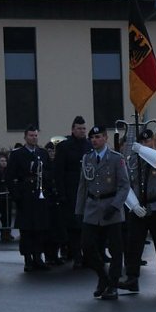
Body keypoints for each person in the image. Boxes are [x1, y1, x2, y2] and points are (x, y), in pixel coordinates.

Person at [75, 125, 130, 300]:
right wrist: (79, 210)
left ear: (106, 138)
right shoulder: (88, 158)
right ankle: (103, 276)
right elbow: (83, 186)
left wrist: (115, 206)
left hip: (111, 206)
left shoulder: (116, 158)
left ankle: (112, 285)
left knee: (115, 249)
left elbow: (124, 185)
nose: (94, 140)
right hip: (92, 207)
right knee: (87, 247)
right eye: (92, 137)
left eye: (98, 137)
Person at [119, 128, 156, 294]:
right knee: (133, 244)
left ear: (154, 141)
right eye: (142, 142)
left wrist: (142, 150)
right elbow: (127, 183)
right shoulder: (133, 159)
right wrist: (133, 205)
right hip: (139, 206)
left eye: (148, 141)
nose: (145, 143)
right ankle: (132, 278)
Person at [5, 125, 51, 272]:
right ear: (25, 137)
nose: (34, 138)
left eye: (36, 135)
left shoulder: (42, 153)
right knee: (26, 231)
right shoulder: (17, 154)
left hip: (39, 196)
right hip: (25, 196)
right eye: (31, 135)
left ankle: (38, 257)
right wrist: (17, 196)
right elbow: (10, 177)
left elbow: (49, 172)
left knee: (39, 229)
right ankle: (28, 259)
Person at [55, 115, 91, 268]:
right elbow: (59, 172)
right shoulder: (64, 147)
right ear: (73, 129)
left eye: (84, 128)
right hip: (71, 192)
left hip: (88, 192)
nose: (82, 131)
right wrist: (62, 194)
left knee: (87, 226)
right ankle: (76, 256)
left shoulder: (89, 145)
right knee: (74, 227)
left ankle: (88, 255)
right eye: (79, 128)